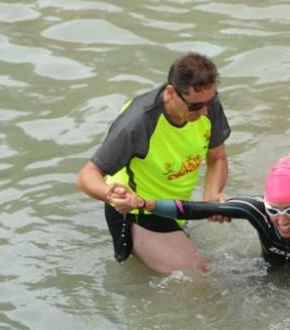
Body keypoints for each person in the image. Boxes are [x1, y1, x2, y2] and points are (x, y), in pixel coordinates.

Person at [76, 53, 230, 275]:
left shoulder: (206, 103)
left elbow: (217, 159)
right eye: (196, 107)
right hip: (137, 212)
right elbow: (86, 176)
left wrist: (211, 197)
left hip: (175, 209)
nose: (205, 111)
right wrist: (111, 195)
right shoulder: (138, 122)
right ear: (170, 92)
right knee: (201, 277)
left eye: (210, 101)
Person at [147, 157, 290, 292]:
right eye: (273, 211)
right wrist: (144, 204)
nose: (282, 221)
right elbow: (197, 209)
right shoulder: (256, 209)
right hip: (268, 268)